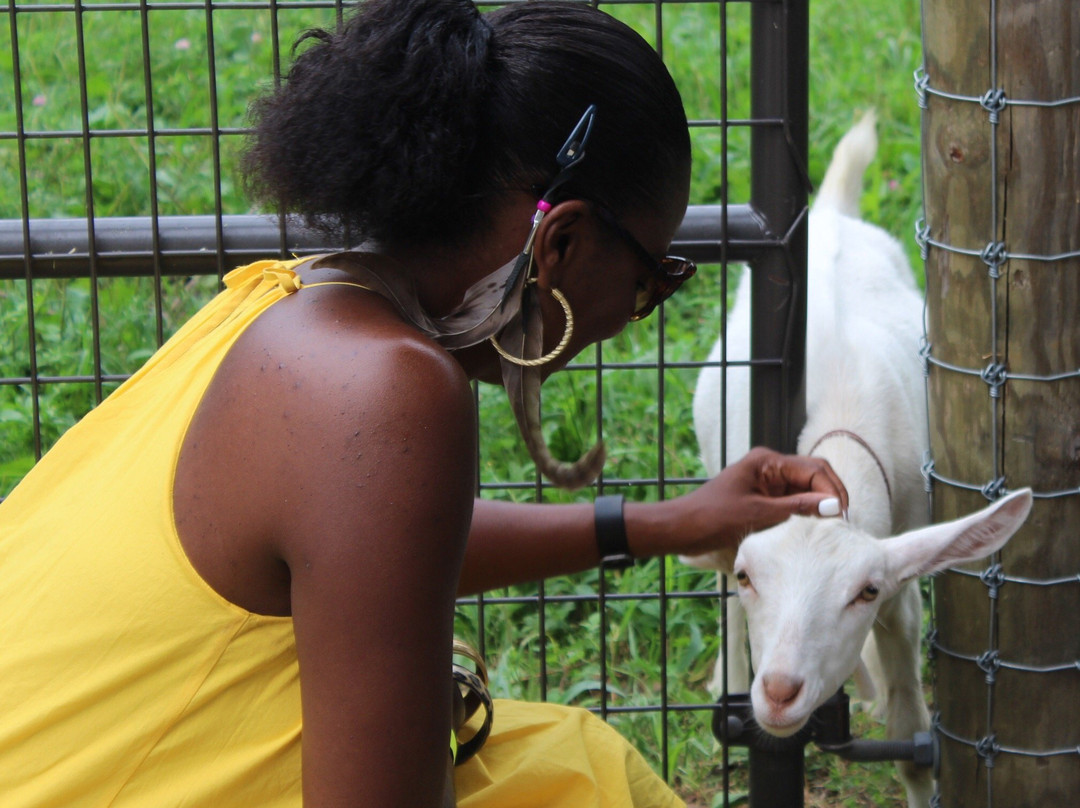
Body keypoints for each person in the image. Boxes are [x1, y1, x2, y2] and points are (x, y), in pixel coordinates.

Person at [0, 1, 847, 806]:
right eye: (649, 284)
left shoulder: (280, 304)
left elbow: (372, 550)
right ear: (563, 241)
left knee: (573, 763)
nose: (630, 319)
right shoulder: (386, 391)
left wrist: (664, 523)